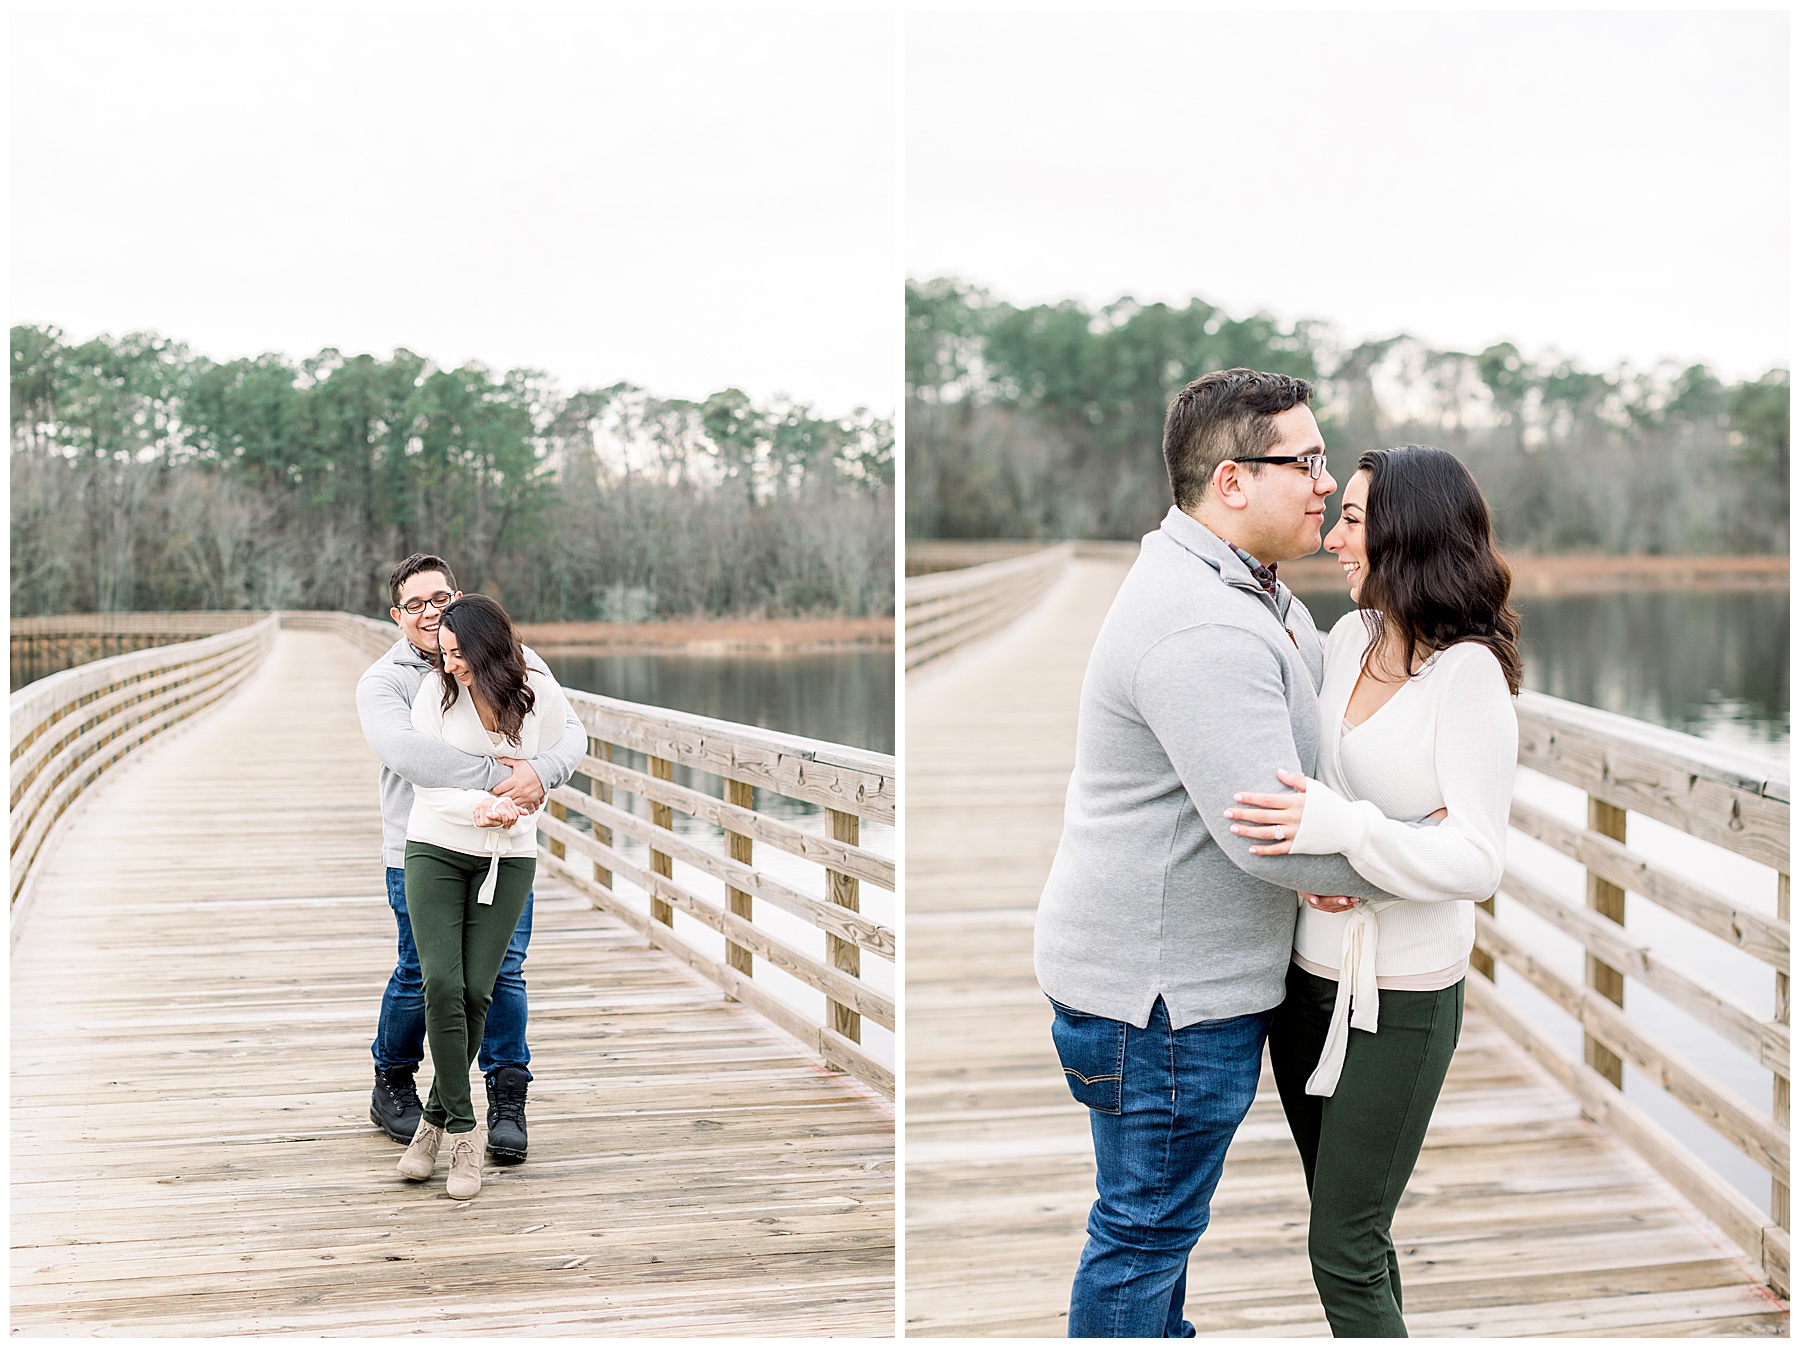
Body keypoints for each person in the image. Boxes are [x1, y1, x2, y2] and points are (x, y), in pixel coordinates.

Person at [1033, 368, 1406, 1338]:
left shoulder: (1242, 588)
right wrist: (1426, 868)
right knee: (1144, 1233)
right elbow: (1271, 835)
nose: (1325, 482)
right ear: (1233, 483)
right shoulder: (1202, 622)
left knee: (1153, 1233)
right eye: (1307, 462)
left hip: (1164, 984)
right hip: (1162, 1001)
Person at [1221, 445, 1521, 1337]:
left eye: (1352, 519)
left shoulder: (1465, 676)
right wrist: (1345, 854)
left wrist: (1352, 836)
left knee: (1340, 1247)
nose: (1334, 537)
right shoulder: (1345, 638)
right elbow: (1309, 782)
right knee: (1354, 1227)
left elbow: (1477, 859)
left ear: (1407, 532)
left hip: (1404, 998)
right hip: (1307, 984)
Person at [356, 554, 587, 1166]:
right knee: (423, 973)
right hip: (420, 843)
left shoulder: (508, 656)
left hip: (503, 847)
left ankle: (506, 1099)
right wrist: (500, 778)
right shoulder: (389, 681)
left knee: (501, 973)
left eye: (440, 599)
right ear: (397, 614)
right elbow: (407, 753)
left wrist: (541, 771)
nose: (430, 612)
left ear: (457, 598)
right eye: (416, 604)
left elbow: (571, 733)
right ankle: (394, 1081)